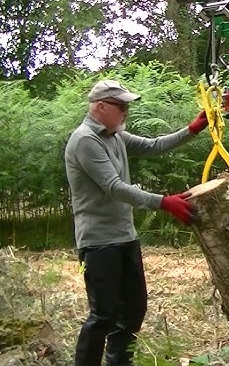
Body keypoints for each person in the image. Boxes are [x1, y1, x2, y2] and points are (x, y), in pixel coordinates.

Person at [64, 79, 209, 366]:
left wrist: (192, 130)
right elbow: (114, 186)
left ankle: (120, 362)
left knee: (134, 309)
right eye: (121, 106)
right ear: (101, 107)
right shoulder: (85, 141)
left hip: (124, 236)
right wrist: (163, 202)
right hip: (98, 241)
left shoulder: (114, 135)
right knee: (103, 315)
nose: (126, 112)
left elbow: (153, 146)